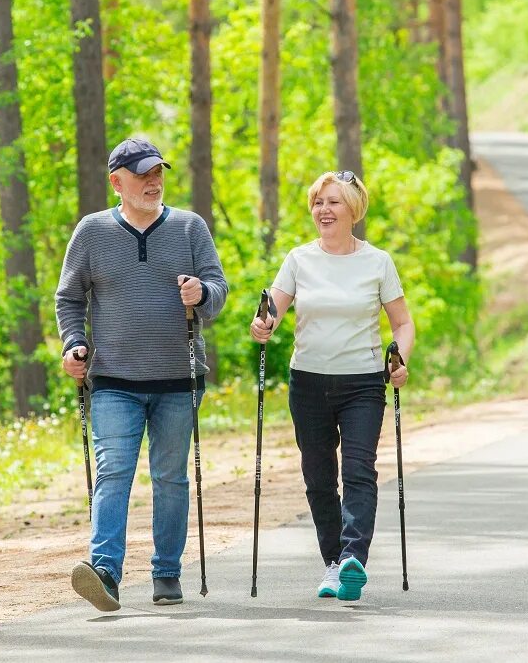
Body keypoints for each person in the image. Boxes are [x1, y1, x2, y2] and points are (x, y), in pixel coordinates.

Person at [56, 137, 228, 611]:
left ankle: (167, 571)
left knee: (170, 477)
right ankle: (105, 572)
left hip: (178, 377)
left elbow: (219, 288)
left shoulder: (190, 227)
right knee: (114, 472)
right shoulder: (91, 232)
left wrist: (202, 294)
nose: (154, 181)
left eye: (158, 173)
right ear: (117, 182)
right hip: (113, 379)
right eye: (143, 174)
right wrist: (73, 344)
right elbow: (69, 298)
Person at [249, 169, 414, 601]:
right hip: (308, 383)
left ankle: (352, 556)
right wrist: (262, 326)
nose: (324, 210)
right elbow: (273, 312)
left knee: (359, 469)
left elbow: (403, 322)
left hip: (362, 382)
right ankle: (332, 562)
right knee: (319, 477)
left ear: (353, 210)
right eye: (319, 202)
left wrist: (401, 359)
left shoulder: (377, 262)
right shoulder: (299, 259)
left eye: (334, 202)